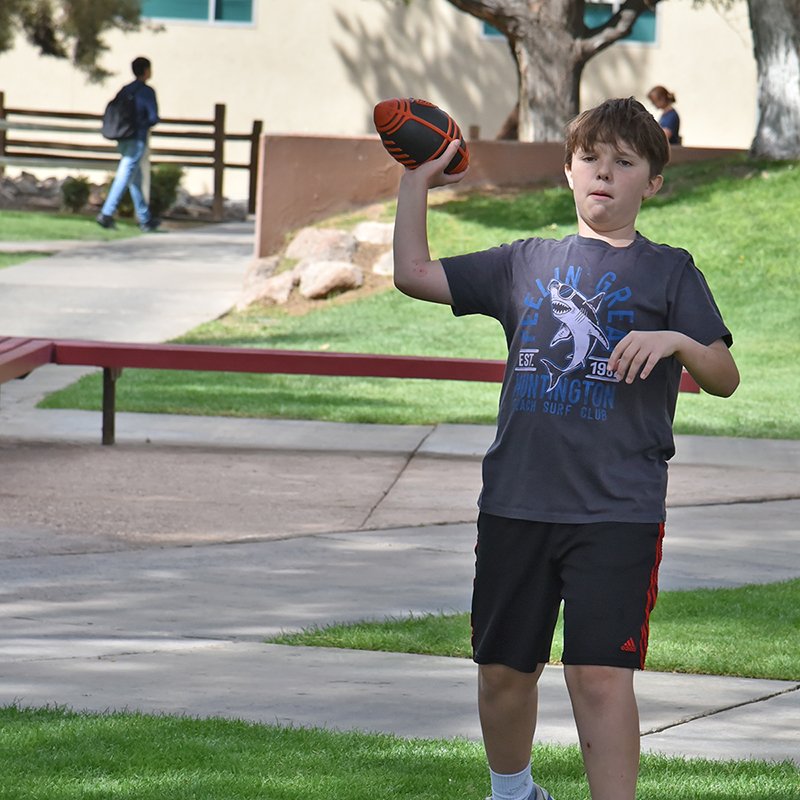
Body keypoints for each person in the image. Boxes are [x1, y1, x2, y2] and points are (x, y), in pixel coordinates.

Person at [391, 97, 739, 800]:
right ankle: (514, 792)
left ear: (653, 183)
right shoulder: (524, 263)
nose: (604, 173)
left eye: (624, 162)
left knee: (599, 675)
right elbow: (413, 274)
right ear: (567, 171)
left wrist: (677, 342)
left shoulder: (671, 272)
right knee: (503, 671)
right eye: (591, 158)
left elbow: (724, 375)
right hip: (517, 501)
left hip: (618, 511)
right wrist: (416, 180)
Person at [96, 56, 160, 232]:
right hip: (137, 138)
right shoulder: (146, 91)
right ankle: (106, 213)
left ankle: (145, 218)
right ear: (146, 70)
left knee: (135, 179)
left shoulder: (126, 89)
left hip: (122, 137)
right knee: (125, 174)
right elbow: (153, 117)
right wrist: (145, 123)